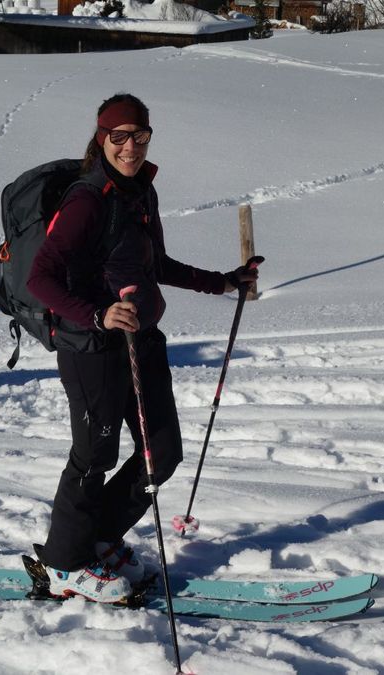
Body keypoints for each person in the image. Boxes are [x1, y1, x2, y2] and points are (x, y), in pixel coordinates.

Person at [26, 93, 259, 603]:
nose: (131, 146)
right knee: (94, 457)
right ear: (102, 138)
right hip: (91, 346)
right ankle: (64, 564)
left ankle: (98, 540)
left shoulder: (140, 192)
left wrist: (222, 282)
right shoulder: (87, 199)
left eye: (141, 136)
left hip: (142, 340)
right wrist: (98, 313)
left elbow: (156, 265)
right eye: (120, 137)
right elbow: (39, 277)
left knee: (162, 452)